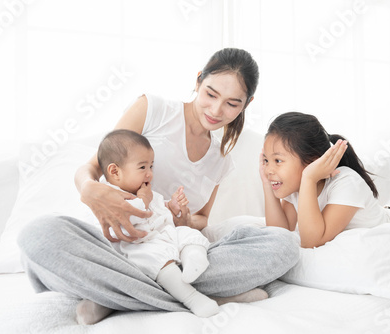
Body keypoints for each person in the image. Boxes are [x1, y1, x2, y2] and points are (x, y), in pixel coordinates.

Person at [18, 48, 300, 325]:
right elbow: (93, 167)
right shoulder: (153, 109)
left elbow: (200, 220)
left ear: (247, 104)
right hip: (113, 245)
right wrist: (88, 189)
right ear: (198, 80)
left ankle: (116, 297)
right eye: (210, 94)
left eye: (232, 103)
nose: (216, 110)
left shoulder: (221, 160)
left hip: (169, 251)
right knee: (38, 236)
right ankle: (199, 296)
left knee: (284, 244)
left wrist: (183, 218)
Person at [259, 111, 390, 256]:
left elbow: (311, 241)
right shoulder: (297, 189)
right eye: (266, 160)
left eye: (278, 160)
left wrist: (308, 179)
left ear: (313, 161)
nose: (269, 169)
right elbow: (280, 233)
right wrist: (267, 185)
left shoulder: (346, 181)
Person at [76, 129, 219, 322]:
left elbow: (159, 208)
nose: (150, 174)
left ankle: (194, 258)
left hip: (162, 237)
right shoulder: (110, 196)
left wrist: (172, 206)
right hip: (135, 249)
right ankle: (191, 297)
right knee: (158, 259)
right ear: (115, 172)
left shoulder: (144, 191)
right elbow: (130, 218)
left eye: (151, 166)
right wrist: (143, 200)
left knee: (187, 233)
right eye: (143, 167)